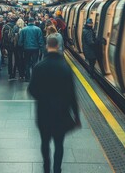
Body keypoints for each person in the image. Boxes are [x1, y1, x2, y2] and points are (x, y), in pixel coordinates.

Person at [28, 37, 80, 173]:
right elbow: (72, 94)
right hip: (61, 113)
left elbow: (31, 90)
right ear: (57, 46)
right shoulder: (65, 68)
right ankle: (57, 169)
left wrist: (42, 98)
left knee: (45, 142)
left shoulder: (39, 67)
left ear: (47, 46)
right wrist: (76, 115)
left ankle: (46, 167)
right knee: (59, 143)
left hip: (43, 112)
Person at [18, 17, 44, 82]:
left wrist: (20, 47)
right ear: (34, 22)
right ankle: (34, 77)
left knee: (27, 63)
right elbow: (40, 40)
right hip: (35, 49)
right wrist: (42, 49)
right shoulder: (38, 29)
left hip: (26, 49)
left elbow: (20, 41)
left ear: (27, 22)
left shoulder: (23, 30)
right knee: (35, 63)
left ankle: (27, 78)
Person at [2, 15, 19, 80]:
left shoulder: (5, 26)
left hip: (7, 45)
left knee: (9, 59)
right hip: (14, 45)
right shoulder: (16, 27)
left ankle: (9, 72)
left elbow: (3, 37)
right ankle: (13, 74)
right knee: (14, 60)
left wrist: (4, 46)